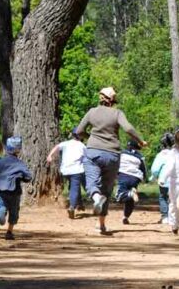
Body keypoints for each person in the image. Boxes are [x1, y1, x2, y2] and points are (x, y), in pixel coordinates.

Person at [74, 87, 147, 234]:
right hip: (113, 154)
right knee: (106, 190)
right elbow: (128, 128)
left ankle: (95, 199)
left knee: (92, 182)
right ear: (113, 101)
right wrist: (140, 141)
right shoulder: (117, 113)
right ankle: (101, 225)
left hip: (93, 151)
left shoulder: (91, 112)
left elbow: (79, 131)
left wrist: (91, 138)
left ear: (100, 98)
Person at [0, 136, 32, 240]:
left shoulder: (1, 162)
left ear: (7, 148)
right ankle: (9, 232)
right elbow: (28, 176)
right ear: (18, 150)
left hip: (0, 191)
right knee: (14, 212)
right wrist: (21, 177)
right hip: (14, 192)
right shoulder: (19, 163)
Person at [47, 129, 87, 219]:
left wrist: (50, 155)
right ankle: (72, 206)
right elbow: (87, 158)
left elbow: (57, 147)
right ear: (80, 136)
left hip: (65, 170)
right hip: (76, 170)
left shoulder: (66, 143)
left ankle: (79, 204)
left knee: (73, 186)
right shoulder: (82, 146)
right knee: (74, 188)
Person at [116, 141, 147, 225]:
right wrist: (144, 179)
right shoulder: (140, 156)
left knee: (120, 196)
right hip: (135, 178)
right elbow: (144, 169)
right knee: (130, 201)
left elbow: (116, 163)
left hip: (124, 175)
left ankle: (130, 193)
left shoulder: (121, 153)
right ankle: (125, 217)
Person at [149, 133, 175, 224]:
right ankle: (173, 217)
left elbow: (155, 169)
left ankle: (165, 217)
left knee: (163, 197)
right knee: (173, 199)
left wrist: (154, 176)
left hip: (164, 181)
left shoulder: (161, 155)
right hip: (176, 181)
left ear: (162, 144)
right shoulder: (176, 154)